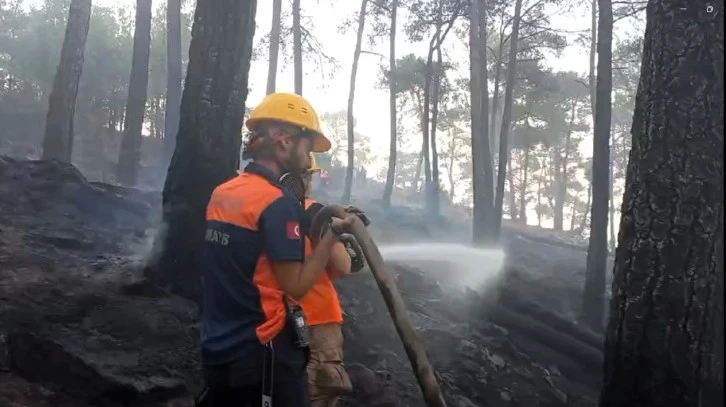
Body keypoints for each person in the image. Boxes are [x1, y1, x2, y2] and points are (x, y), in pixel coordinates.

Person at [197, 92, 356, 407]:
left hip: (218, 346)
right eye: (307, 148)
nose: (307, 159)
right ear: (284, 140)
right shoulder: (277, 203)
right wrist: (332, 236)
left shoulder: (223, 192)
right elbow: (295, 285)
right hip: (264, 354)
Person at [298, 154, 365, 407]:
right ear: (305, 177)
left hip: (273, 319)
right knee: (318, 393)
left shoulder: (265, 209)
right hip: (317, 319)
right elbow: (344, 265)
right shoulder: (313, 212)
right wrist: (341, 239)